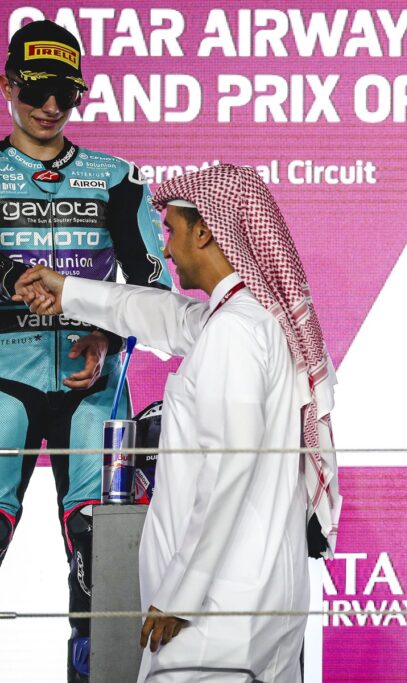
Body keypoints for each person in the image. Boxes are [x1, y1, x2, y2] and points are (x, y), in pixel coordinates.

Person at [14, 164, 341, 682]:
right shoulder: (246, 320)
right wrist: (68, 292)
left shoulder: (233, 332)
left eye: (170, 230)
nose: (165, 249)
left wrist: (181, 596)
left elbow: (229, 469)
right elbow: (160, 313)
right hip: (252, 604)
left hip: (213, 615)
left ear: (205, 231)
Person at [0, 19, 171, 681]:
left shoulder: (115, 177)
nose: (50, 106)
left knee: (102, 558)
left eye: (65, 94)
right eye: (35, 89)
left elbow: (153, 285)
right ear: (8, 85)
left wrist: (108, 334)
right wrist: (11, 278)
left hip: (94, 388)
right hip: (4, 383)